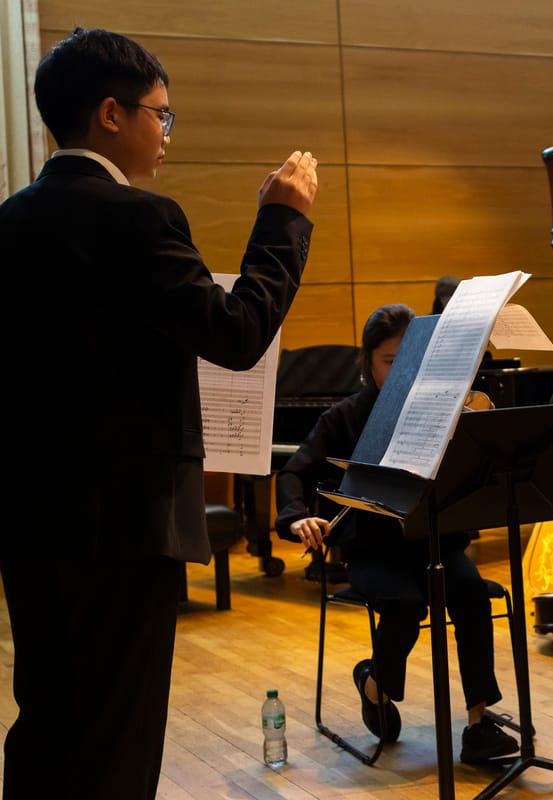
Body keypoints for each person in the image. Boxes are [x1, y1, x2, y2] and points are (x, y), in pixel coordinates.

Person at [0, 27, 318, 800]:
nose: (167, 134)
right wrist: (283, 221)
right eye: (161, 115)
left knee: (49, 720)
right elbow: (238, 334)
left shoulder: (10, 220)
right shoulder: (136, 217)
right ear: (112, 113)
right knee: (117, 737)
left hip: (32, 521)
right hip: (124, 525)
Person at [274, 304, 519, 764]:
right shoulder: (345, 417)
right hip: (374, 552)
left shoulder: (443, 410)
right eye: (390, 360)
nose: (402, 369)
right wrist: (294, 517)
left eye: (412, 358)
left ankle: (478, 722)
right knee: (406, 603)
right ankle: (373, 683)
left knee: (468, 591)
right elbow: (293, 474)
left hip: (436, 541)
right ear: (367, 362)